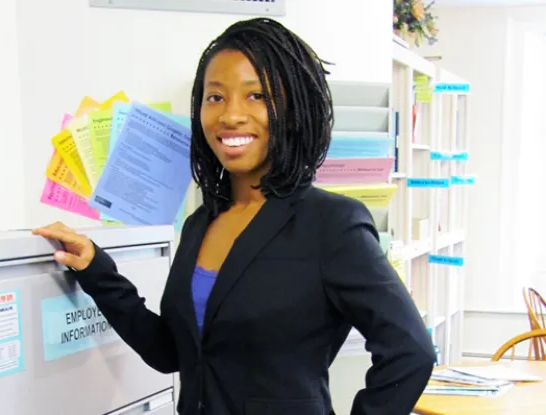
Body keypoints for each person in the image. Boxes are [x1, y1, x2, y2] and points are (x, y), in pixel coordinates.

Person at [32, 18, 435, 415]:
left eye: (256, 95)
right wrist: (97, 272)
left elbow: (411, 351)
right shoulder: (200, 224)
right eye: (216, 97)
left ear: (292, 109)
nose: (231, 115)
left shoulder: (331, 225)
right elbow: (171, 353)